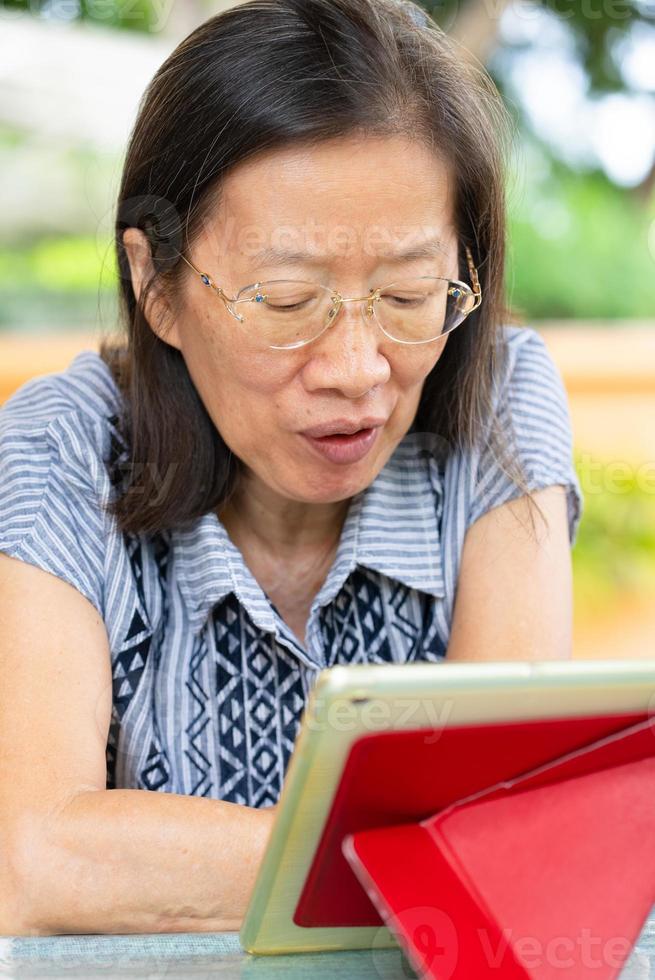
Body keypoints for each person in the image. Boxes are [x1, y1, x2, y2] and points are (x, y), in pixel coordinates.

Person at [0, 0, 582, 937]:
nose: (357, 370)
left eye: (406, 294)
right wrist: (420, 860)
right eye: (285, 299)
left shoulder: (496, 399)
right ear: (157, 287)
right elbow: (32, 860)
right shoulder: (62, 447)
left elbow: (518, 828)